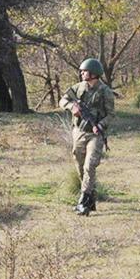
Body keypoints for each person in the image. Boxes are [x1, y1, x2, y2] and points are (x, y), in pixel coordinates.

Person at [58, 58, 115, 216]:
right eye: (82, 71)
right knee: (79, 163)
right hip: (79, 132)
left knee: (90, 166)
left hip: (95, 135)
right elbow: (63, 100)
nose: (82, 73)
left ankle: (83, 202)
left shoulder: (105, 91)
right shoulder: (78, 88)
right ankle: (90, 198)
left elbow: (111, 114)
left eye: (85, 71)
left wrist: (101, 126)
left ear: (94, 74)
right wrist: (72, 107)